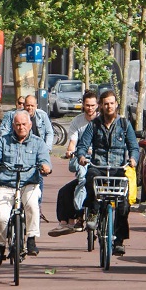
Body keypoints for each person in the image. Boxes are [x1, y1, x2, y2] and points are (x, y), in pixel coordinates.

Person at [0, 108, 52, 264]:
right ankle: (0, 247)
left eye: (24, 124)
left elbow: (45, 160)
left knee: (33, 205)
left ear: (29, 125)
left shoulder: (38, 142)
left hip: (29, 184)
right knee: (0, 216)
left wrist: (45, 167)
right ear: (13, 126)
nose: (21, 127)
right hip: (7, 185)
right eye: (18, 124)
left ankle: (31, 239)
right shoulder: (3, 141)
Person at [79, 87, 138, 255]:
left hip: (118, 169)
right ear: (101, 106)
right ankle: (93, 213)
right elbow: (83, 145)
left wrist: (133, 159)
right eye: (106, 104)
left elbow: (134, 147)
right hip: (98, 167)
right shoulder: (94, 125)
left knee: (123, 205)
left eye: (112, 103)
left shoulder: (125, 124)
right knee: (90, 177)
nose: (109, 107)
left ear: (116, 105)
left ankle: (119, 240)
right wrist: (82, 156)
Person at [61, 91, 100, 223]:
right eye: (87, 105)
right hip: (82, 158)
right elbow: (73, 142)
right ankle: (79, 213)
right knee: (82, 177)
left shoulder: (101, 121)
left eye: (93, 105)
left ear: (97, 105)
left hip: (98, 159)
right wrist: (70, 151)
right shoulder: (77, 121)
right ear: (83, 105)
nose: (90, 108)